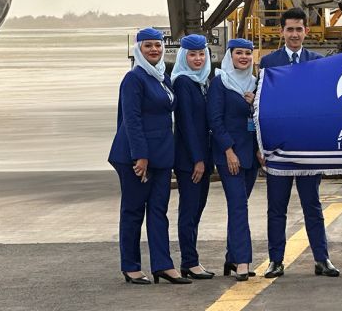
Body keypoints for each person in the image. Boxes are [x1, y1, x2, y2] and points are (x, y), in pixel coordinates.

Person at [259, 7, 340, 278]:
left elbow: (325, 102)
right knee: (276, 208)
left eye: (299, 29)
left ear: (306, 31)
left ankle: (322, 259)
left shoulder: (317, 62)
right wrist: (261, 145)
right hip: (278, 149)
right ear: (281, 32)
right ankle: (275, 260)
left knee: (312, 206)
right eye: (290, 29)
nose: (294, 34)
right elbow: (262, 108)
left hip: (307, 148)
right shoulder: (268, 63)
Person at [108, 27, 191, 285]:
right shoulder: (134, 79)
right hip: (137, 157)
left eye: (157, 45)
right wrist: (139, 156)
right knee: (133, 211)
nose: (154, 50)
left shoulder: (161, 76)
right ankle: (130, 266)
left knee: (158, 211)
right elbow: (131, 120)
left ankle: (163, 265)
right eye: (148, 46)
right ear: (139, 49)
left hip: (162, 155)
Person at [207, 38, 264, 281]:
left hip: (250, 155)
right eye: (239, 53)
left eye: (248, 53)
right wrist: (228, 151)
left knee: (239, 205)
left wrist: (253, 105)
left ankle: (232, 257)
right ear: (230, 56)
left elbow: (260, 118)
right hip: (229, 155)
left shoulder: (256, 82)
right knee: (239, 206)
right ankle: (242, 261)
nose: (244, 57)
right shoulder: (220, 82)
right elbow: (215, 120)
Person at [170, 34, 215, 280]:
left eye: (201, 54)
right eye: (192, 55)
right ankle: (189, 261)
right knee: (189, 211)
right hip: (190, 160)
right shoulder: (183, 82)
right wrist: (198, 159)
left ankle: (191, 259)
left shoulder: (202, 81)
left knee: (197, 209)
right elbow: (186, 124)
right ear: (183, 57)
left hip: (203, 158)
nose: (198, 59)